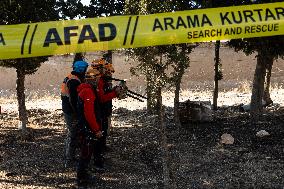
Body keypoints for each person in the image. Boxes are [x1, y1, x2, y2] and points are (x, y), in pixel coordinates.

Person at [76, 67, 121, 187]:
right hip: (87, 128)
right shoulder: (88, 92)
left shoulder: (89, 89)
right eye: (97, 78)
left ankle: (84, 176)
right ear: (93, 79)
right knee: (85, 154)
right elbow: (89, 114)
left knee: (88, 152)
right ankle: (81, 180)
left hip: (87, 126)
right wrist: (96, 130)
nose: (98, 80)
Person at [61, 60, 89, 166]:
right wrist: (78, 114)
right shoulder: (74, 81)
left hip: (68, 109)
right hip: (70, 111)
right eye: (85, 69)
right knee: (73, 133)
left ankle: (71, 156)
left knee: (73, 132)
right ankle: (69, 159)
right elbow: (73, 100)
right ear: (81, 69)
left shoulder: (71, 77)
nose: (86, 72)